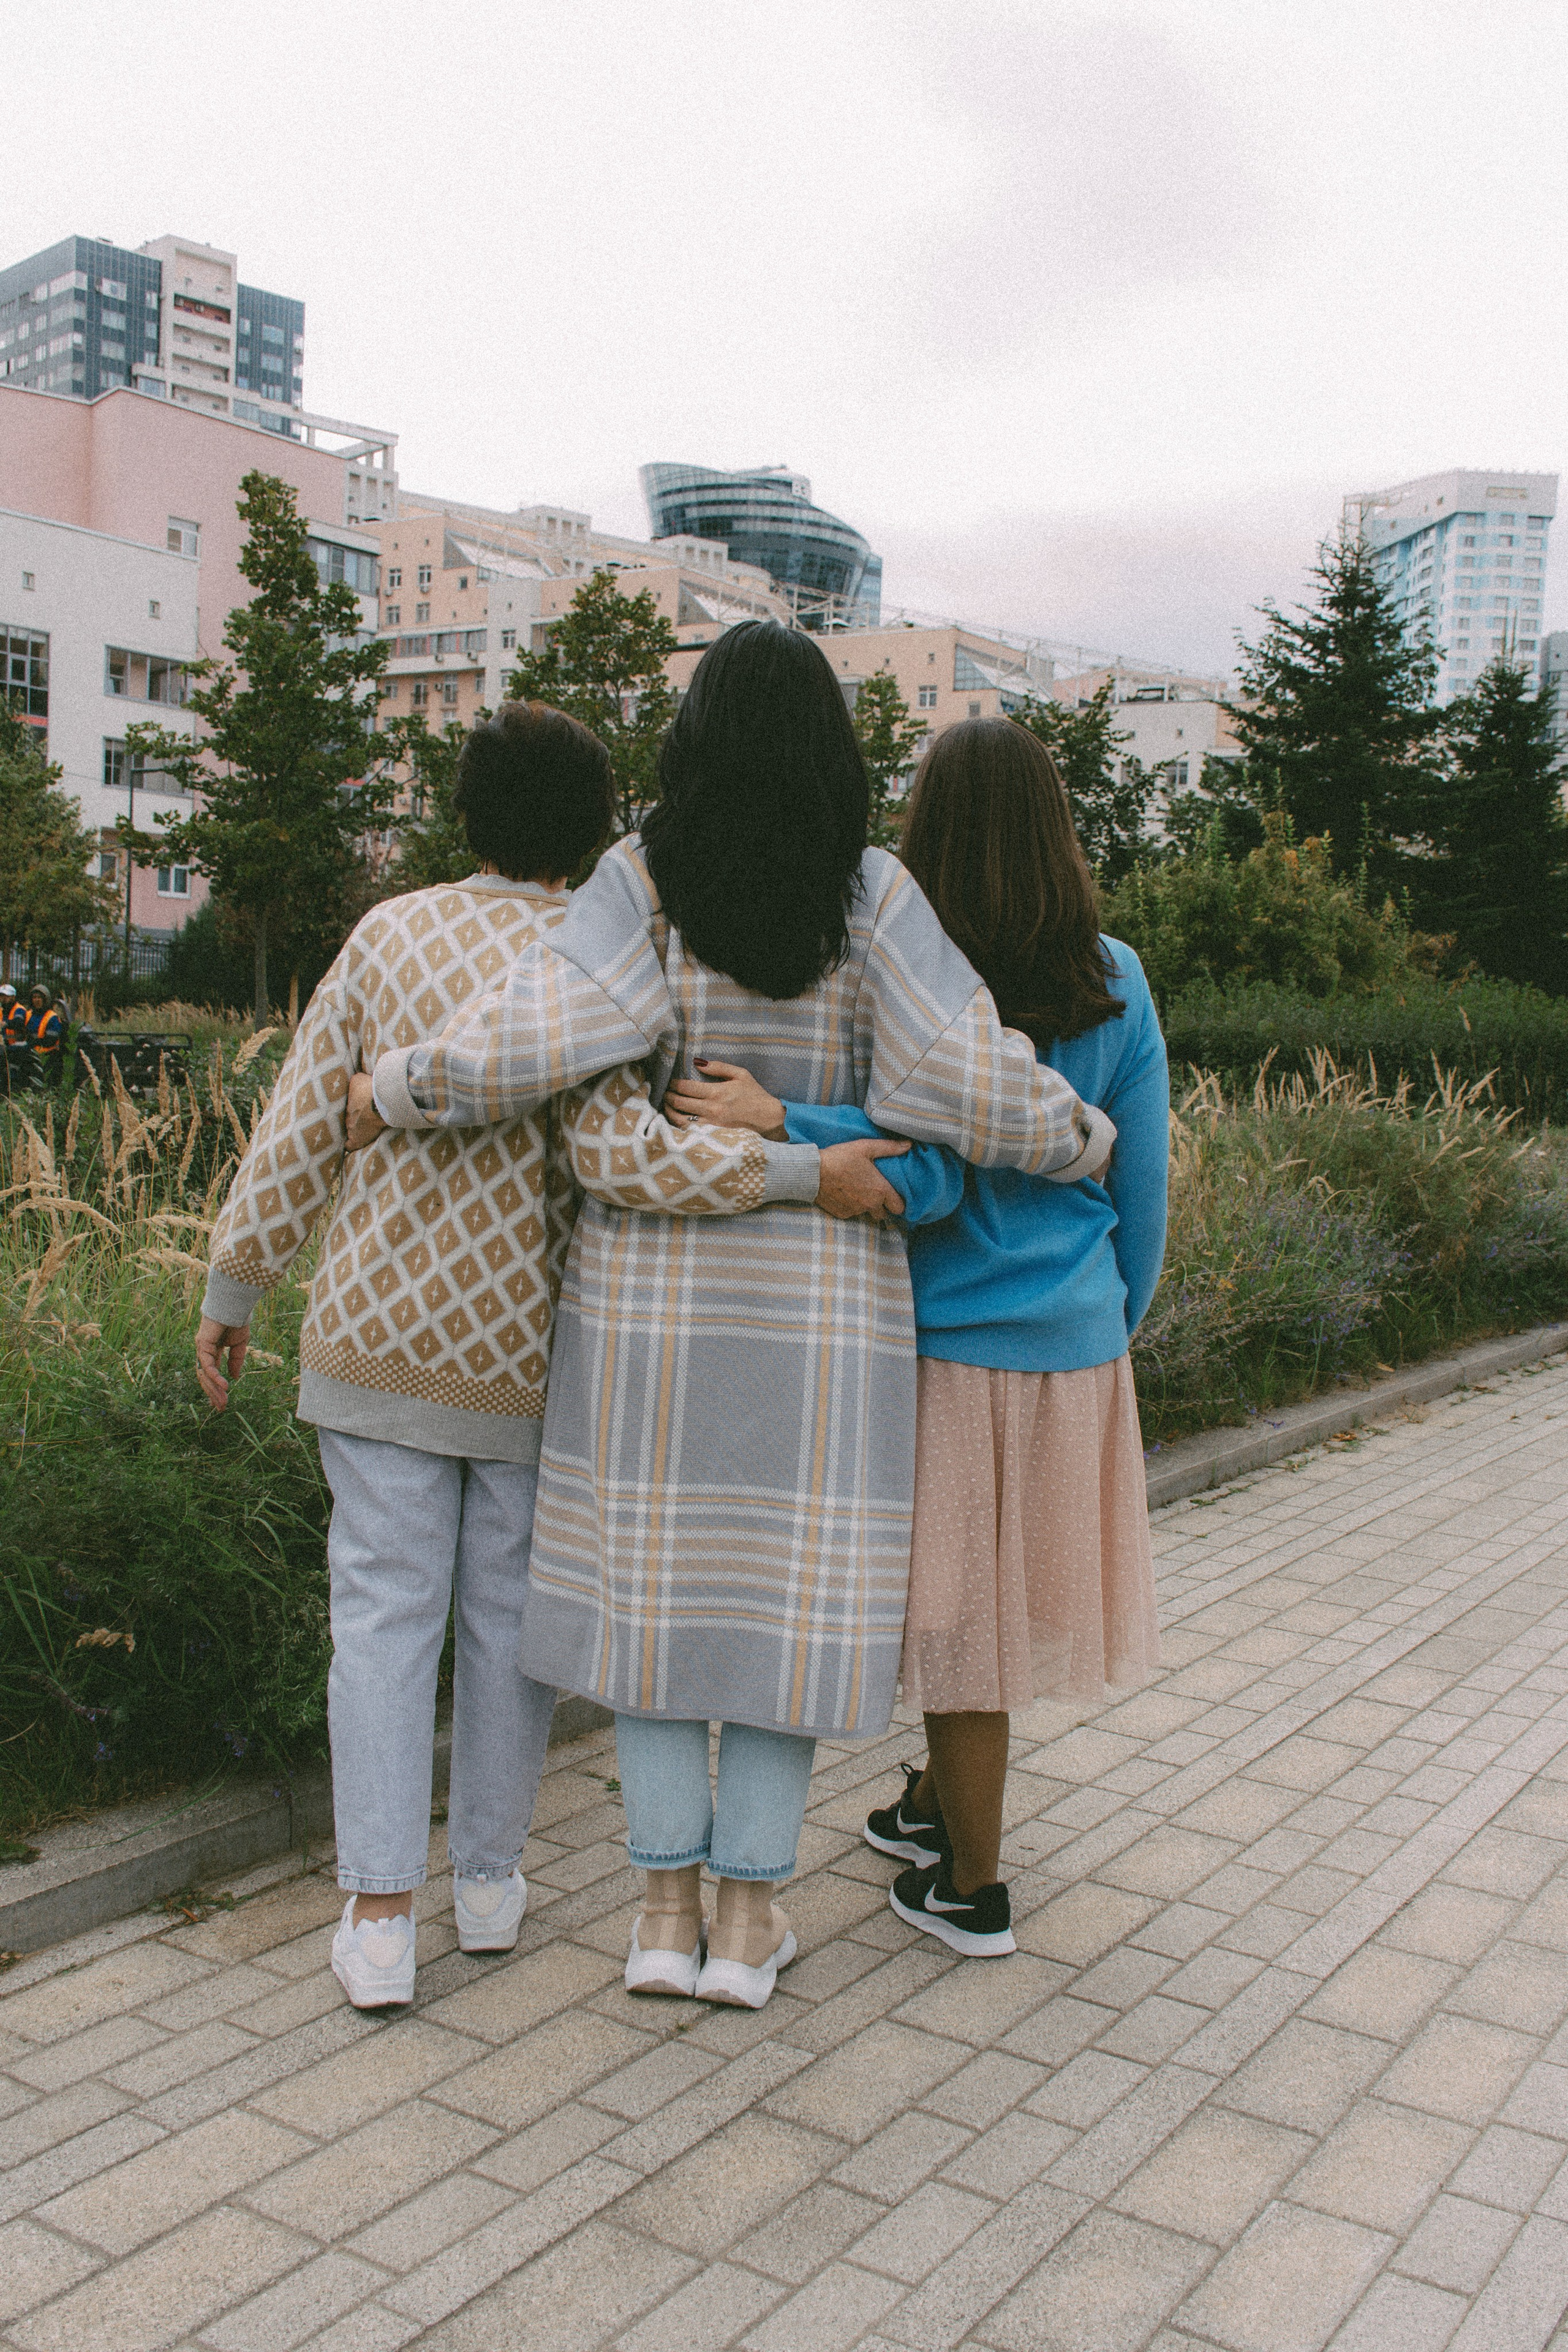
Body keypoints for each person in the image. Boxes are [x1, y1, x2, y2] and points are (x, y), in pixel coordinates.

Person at [352, 623, 1116, 2009]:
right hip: (826, 1319)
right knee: (784, 1608)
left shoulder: (640, 884)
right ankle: (751, 1923)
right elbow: (969, 1076)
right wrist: (1080, 1137)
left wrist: (400, 1081)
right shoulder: (871, 894)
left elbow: (523, 1052)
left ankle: (658, 1914)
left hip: (647, 1310)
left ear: (690, 741)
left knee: (655, 1611)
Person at [671, 717, 1168, 1958]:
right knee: (991, 1609)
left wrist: (785, 1114)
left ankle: (973, 1889)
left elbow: (908, 1141)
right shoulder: (1115, 978)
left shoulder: (915, 978)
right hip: (1074, 1342)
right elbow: (1142, 1193)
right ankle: (932, 1806)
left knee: (958, 1631)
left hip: (943, 1338)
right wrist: (1108, 1324)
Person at [22, 984, 65, 1074]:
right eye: (34, 997)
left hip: (46, 1054)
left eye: (40, 998)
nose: (37, 1000)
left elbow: (50, 1041)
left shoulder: (52, 1017)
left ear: (45, 1000)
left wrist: (32, 1043)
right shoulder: (29, 1014)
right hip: (30, 1050)